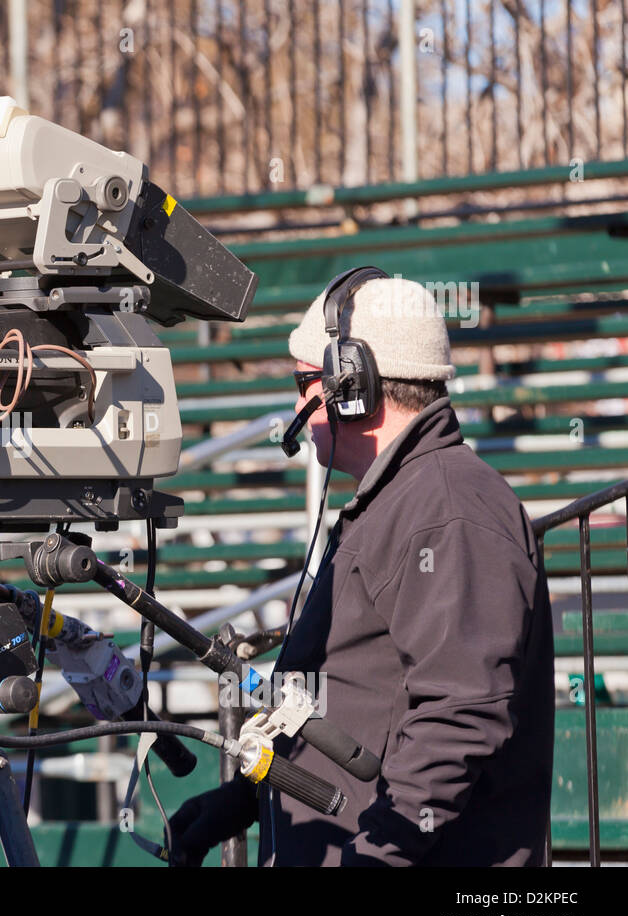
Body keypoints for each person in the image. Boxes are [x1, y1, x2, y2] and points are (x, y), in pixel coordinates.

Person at [171, 271, 555, 866]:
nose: (297, 406)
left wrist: (373, 855)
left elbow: (460, 718)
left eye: (305, 384)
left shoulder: (447, 513)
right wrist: (248, 799)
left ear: (352, 385)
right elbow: (363, 704)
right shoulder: (402, 500)